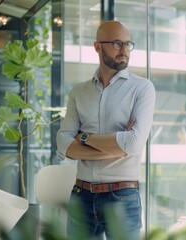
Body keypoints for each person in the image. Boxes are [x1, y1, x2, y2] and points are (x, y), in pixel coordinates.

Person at [56, 21, 156, 239]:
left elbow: (134, 144)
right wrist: (116, 147)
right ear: (97, 46)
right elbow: (63, 142)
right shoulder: (79, 92)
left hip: (123, 197)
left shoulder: (142, 88)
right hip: (81, 196)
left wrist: (83, 137)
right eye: (117, 43)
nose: (124, 50)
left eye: (128, 44)